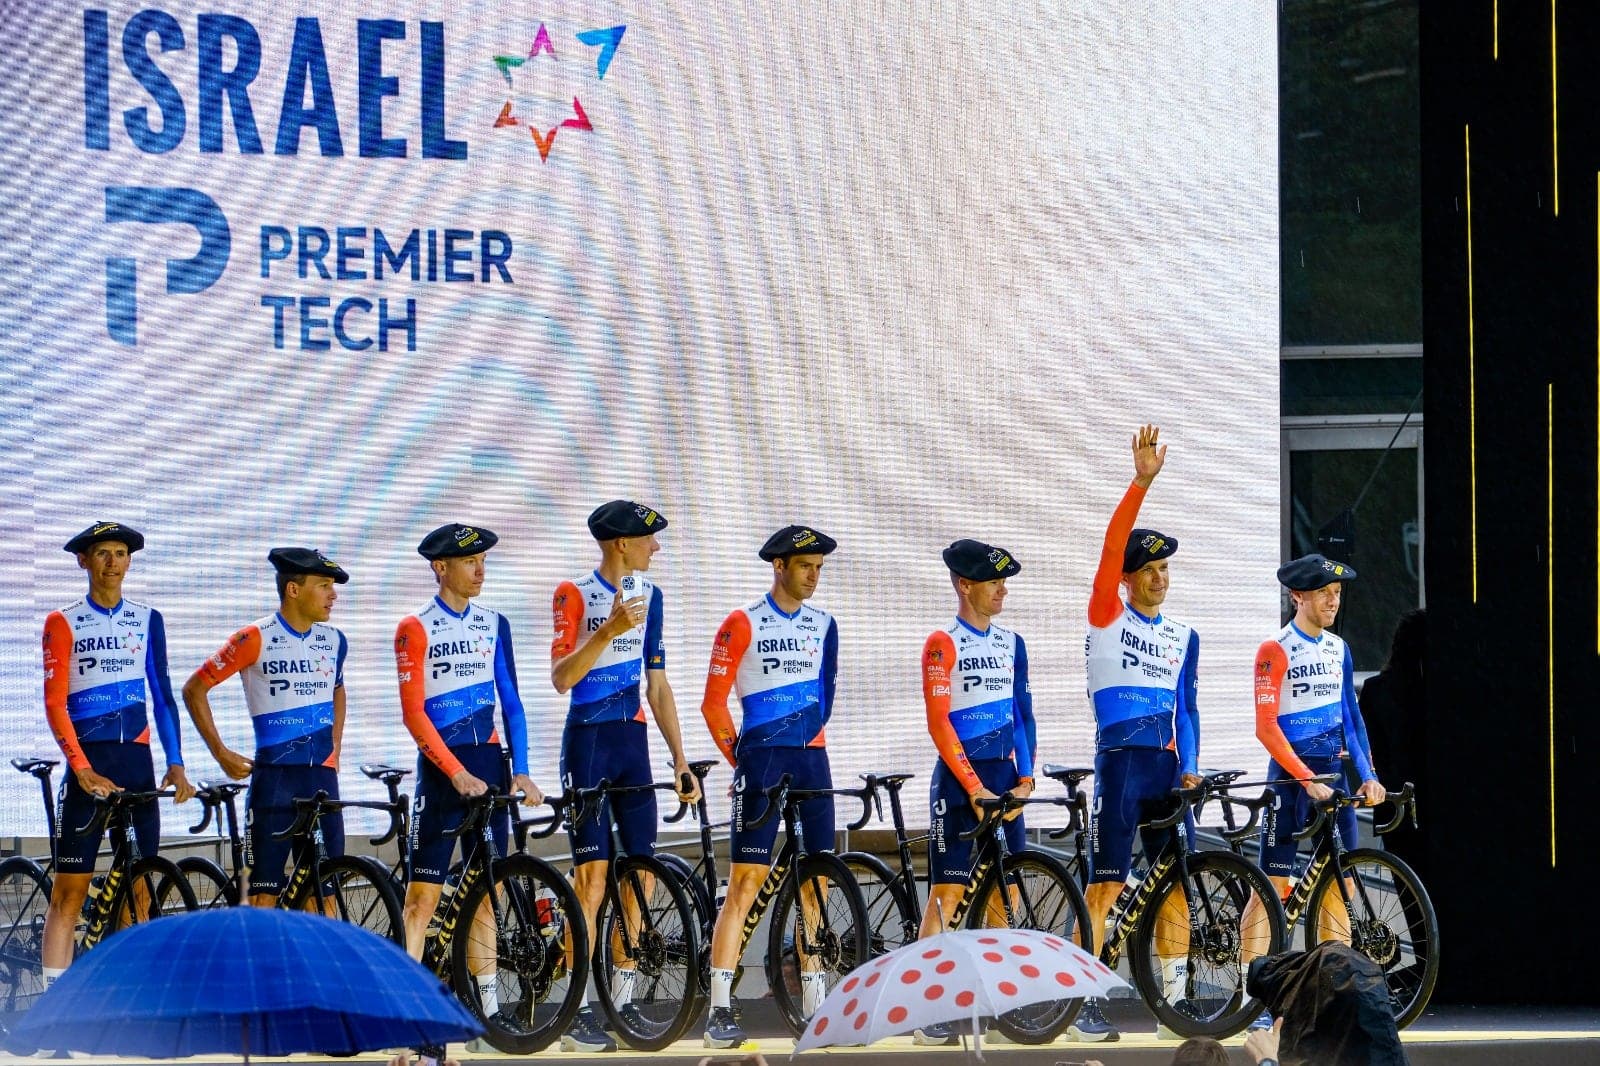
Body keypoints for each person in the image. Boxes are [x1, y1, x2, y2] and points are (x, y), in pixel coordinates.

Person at [550, 500, 700, 1053]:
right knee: (590, 883)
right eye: (648, 539)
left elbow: (656, 684)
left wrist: (680, 760)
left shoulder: (652, 597)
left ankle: (625, 994)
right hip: (588, 741)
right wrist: (610, 628)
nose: (656, 547)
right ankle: (577, 1006)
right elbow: (562, 678)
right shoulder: (573, 593)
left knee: (640, 875)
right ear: (620, 545)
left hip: (632, 743)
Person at [394, 524, 544, 1054]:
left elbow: (514, 703)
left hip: (490, 761)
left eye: (483, 559)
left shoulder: (493, 623)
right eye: (469, 561)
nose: (481, 568)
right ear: (441, 567)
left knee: (488, 891)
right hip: (441, 771)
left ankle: (486, 1010)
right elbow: (414, 713)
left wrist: (521, 769)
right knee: (421, 901)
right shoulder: (414, 627)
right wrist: (454, 770)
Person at [1076, 424, 1202, 1042]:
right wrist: (1140, 483)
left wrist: (1192, 762)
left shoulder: (1184, 635)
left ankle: (1174, 1001)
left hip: (1166, 766)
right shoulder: (1107, 611)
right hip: (1122, 763)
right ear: (1127, 579)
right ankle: (1083, 1002)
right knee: (1105, 884)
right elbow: (1109, 545)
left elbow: (1190, 709)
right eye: (1147, 568)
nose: (1158, 576)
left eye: (1164, 568)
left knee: (1174, 879)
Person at [698, 525, 840, 1049]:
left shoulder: (825, 624)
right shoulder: (742, 621)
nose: (814, 576)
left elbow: (825, 695)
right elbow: (713, 703)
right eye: (806, 566)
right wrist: (745, 758)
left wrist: (800, 739)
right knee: (744, 884)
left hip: (813, 762)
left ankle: (816, 1008)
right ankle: (718, 1009)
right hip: (760, 762)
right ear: (778, 566)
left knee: (817, 884)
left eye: (819, 568)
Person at [40, 522, 193, 985]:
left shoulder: (148, 619)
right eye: (102, 553)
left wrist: (177, 761)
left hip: (137, 765)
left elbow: (163, 696)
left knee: (141, 889)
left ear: (129, 561)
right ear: (83, 561)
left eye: (120, 553)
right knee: (70, 893)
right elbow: (54, 702)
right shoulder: (62, 621)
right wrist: (81, 770)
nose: (112, 561)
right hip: (89, 765)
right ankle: (52, 1006)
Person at [1240, 554, 1384, 1028]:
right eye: (1324, 592)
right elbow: (1266, 728)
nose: (1333, 601)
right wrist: (1305, 778)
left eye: (1338, 593)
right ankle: (1253, 998)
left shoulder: (1339, 648)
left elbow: (1352, 718)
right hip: (1291, 779)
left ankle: (1333, 997)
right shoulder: (1274, 648)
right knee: (1271, 888)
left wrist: (1368, 775)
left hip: (1335, 777)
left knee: (1338, 888)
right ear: (1298, 596)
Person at [912, 538, 1036, 1047]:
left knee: (1004, 894)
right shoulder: (942, 641)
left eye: (1005, 581)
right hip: (960, 782)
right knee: (948, 894)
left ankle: (997, 1000)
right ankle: (927, 1010)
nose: (1003, 589)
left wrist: (1027, 777)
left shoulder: (1012, 642)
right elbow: (939, 722)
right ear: (965, 585)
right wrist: (974, 785)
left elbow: (1023, 714)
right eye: (994, 581)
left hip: (1005, 782)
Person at [183, 547, 350, 906]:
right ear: (293, 589)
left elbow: (337, 690)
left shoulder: (334, 640)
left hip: (322, 778)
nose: (333, 594)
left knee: (326, 894)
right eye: (324, 585)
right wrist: (220, 752)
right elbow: (194, 689)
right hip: (275, 781)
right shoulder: (253, 637)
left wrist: (333, 749)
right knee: (263, 898)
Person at [1358, 608, 1426, 882]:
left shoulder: (1375, 689)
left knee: (1410, 893)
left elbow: (1369, 747)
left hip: (1392, 806)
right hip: (1431, 804)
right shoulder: (1432, 690)